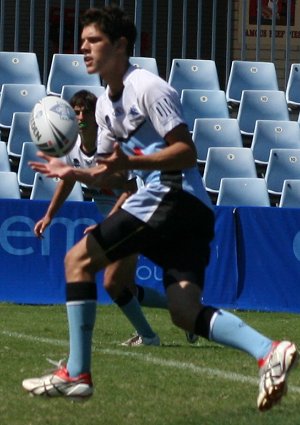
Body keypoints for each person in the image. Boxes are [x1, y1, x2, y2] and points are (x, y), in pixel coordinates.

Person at [23, 5, 298, 411]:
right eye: (81, 42)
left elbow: (186, 152)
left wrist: (129, 165)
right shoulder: (102, 106)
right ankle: (268, 350)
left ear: (120, 45)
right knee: (184, 312)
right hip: (187, 210)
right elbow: (110, 176)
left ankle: (77, 374)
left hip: (172, 196)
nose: (83, 48)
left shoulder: (149, 88)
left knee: (77, 262)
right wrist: (74, 171)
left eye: (93, 40)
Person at [33, 89, 173, 347]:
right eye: (76, 112)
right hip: (117, 220)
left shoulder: (109, 146)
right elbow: (67, 180)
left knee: (113, 282)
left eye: (86, 111)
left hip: (133, 216)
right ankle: (183, 311)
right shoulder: (72, 148)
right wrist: (49, 215)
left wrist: (108, 224)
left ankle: (150, 337)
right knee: (126, 287)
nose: (82, 116)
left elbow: (130, 190)